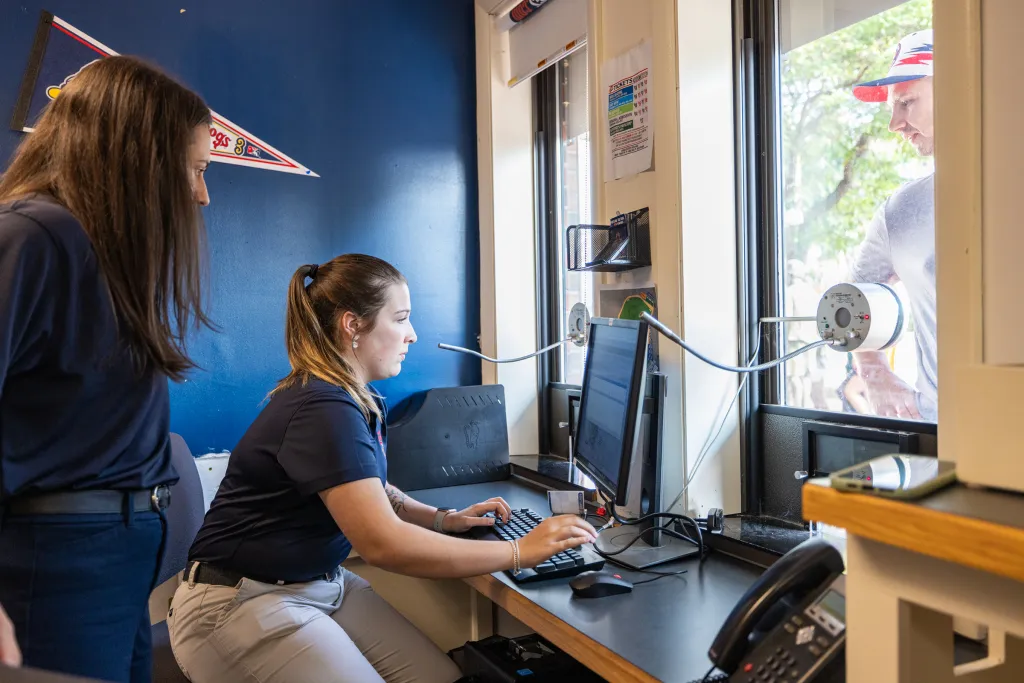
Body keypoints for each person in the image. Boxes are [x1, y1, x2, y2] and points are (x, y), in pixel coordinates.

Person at [169, 254, 598, 683]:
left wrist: (443, 520)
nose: (411, 335)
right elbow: (383, 545)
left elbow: (373, 489)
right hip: (237, 603)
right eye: (401, 319)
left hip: (317, 585)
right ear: (352, 325)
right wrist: (521, 551)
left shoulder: (352, 397)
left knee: (441, 678)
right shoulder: (323, 408)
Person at [0, 56, 214, 682]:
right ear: (139, 157)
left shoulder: (92, 249)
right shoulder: (33, 237)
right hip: (57, 561)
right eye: (196, 168)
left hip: (116, 562)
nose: (202, 193)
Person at [848, 29, 936, 421]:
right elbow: (850, 299)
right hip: (943, 434)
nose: (894, 124)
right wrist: (872, 371)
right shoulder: (901, 210)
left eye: (906, 102)